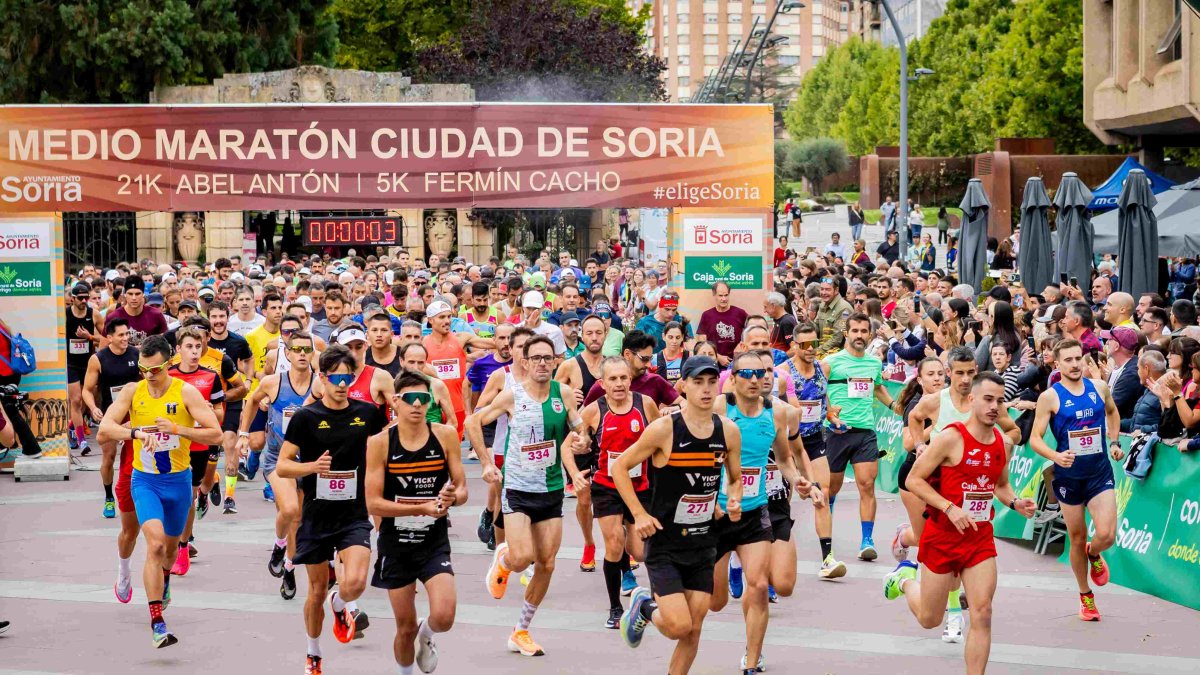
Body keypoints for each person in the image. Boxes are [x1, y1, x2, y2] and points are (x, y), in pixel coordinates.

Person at [883, 373, 1036, 675]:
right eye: (988, 399)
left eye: (1000, 401)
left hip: (978, 539)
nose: (994, 407)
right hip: (942, 537)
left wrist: (1016, 503)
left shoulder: (1003, 445)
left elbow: (1001, 486)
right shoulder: (951, 438)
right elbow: (914, 479)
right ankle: (903, 579)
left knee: (983, 612)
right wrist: (948, 507)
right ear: (971, 401)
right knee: (930, 619)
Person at [612, 355, 742, 675]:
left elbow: (735, 478)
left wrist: (733, 500)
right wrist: (639, 514)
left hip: (703, 542)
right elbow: (619, 467)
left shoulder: (728, 431)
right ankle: (645, 606)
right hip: (666, 544)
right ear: (682, 386)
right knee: (678, 627)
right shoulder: (664, 430)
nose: (707, 389)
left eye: (712, 382)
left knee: (694, 629)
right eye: (698, 382)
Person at [97, 335, 223, 648]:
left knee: (168, 551)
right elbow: (103, 431)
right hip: (145, 481)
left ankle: (165, 579)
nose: (148, 376)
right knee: (153, 546)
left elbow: (216, 433)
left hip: (178, 482)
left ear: (168, 364)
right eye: (143, 369)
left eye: (154, 370)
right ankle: (157, 622)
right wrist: (135, 433)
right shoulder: (132, 390)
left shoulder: (186, 392)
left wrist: (178, 429)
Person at [467, 335, 586, 657]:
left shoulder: (563, 394)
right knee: (522, 559)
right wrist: (486, 463)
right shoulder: (512, 396)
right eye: (536, 358)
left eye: (548, 357)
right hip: (518, 489)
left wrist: (581, 441)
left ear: (555, 361)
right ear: (526, 361)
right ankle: (504, 560)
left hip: (551, 490)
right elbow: (473, 421)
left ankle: (520, 631)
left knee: (546, 564)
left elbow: (578, 429)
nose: (543, 363)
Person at [276, 345, 387, 674]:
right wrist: (312, 467)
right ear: (322, 378)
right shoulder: (305, 417)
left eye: (348, 378)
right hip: (316, 515)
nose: (342, 384)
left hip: (353, 514)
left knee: (355, 582)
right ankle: (313, 652)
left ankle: (341, 604)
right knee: (315, 591)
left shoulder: (367, 413)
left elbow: (385, 450)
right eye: (336, 377)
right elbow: (283, 466)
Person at [710, 352, 810, 673]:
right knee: (715, 602)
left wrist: (800, 480)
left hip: (756, 511)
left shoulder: (776, 413)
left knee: (758, 588)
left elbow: (783, 461)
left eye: (761, 373)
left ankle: (752, 662)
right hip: (717, 514)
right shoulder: (719, 409)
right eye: (748, 373)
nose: (755, 379)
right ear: (734, 378)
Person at [366, 369, 468, 675]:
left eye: (422, 399)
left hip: (433, 541)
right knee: (404, 627)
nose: (416, 405)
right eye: (408, 399)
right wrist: (420, 508)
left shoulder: (445, 435)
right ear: (395, 401)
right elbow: (372, 502)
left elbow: (462, 489)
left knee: (445, 615)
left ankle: (428, 635)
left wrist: (453, 497)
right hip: (395, 544)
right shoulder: (380, 442)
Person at [1028, 339, 1124, 621]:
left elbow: (1112, 412)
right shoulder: (1050, 397)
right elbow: (1035, 439)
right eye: (1067, 360)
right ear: (1057, 364)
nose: (1074, 364)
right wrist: (1055, 457)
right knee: (1077, 537)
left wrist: (1115, 440)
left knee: (1106, 534)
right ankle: (1086, 597)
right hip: (1068, 476)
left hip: (1098, 472)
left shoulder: (1099, 387)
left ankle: (1094, 554)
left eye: (1077, 358)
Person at [236, 328, 317, 600]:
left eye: (308, 350)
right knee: (291, 509)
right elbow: (252, 401)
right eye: (298, 350)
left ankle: (291, 569)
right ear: (288, 353)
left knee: (300, 520)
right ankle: (279, 545)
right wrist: (244, 434)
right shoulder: (274, 382)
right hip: (278, 458)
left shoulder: (320, 384)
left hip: (309, 461)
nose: (303, 355)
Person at [580, 356, 660, 628]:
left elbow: (661, 440)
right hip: (607, 486)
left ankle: (649, 596)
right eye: (612, 379)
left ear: (631, 379)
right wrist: (576, 468)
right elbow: (571, 441)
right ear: (602, 383)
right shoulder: (593, 410)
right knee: (614, 544)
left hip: (640, 487)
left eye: (623, 378)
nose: (619, 384)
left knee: (639, 552)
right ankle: (615, 608)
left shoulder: (645, 405)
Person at [823, 313, 897, 562]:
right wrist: (830, 412)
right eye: (854, 331)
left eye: (864, 331)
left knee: (866, 485)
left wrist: (895, 405)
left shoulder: (874, 364)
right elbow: (818, 391)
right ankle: (827, 539)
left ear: (870, 334)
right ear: (847, 333)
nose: (859, 336)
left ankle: (867, 540)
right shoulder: (831, 362)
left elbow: (877, 389)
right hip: (835, 432)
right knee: (830, 489)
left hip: (865, 432)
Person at [166, 325, 227, 576]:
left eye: (198, 347)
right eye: (189, 347)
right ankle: (175, 538)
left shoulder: (210, 377)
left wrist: (208, 412)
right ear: (178, 349)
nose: (194, 352)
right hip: (171, 444)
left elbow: (221, 413)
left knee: (187, 497)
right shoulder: (167, 376)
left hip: (200, 444)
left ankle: (183, 544)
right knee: (175, 496)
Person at [554, 314, 608, 570]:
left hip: (608, 439)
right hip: (579, 441)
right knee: (585, 499)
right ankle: (588, 543)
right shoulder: (570, 366)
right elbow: (551, 400)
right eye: (589, 333)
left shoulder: (613, 366)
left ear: (605, 334)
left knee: (615, 494)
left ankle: (622, 544)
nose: (594, 337)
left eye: (599, 332)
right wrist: (568, 400)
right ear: (581, 335)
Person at [82, 318, 140, 520]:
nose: (126, 338)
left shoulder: (137, 353)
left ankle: (136, 495)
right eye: (121, 335)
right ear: (110, 337)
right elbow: (87, 390)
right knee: (108, 457)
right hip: (111, 412)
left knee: (137, 456)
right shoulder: (98, 359)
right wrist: (93, 407)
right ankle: (109, 497)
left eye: (127, 334)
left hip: (135, 412)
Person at [67, 282, 104, 455]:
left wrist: (88, 336)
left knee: (84, 402)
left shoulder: (94, 314)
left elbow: (106, 339)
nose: (83, 301)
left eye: (86, 298)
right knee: (75, 400)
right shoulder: (65, 315)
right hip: (70, 363)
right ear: (72, 298)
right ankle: (82, 441)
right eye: (80, 298)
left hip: (89, 363)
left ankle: (72, 427)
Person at [697, 282, 748, 367]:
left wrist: (742, 348)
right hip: (713, 365)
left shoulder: (740, 313)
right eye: (720, 295)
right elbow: (701, 344)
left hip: (738, 364)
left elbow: (752, 333)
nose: (724, 299)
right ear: (714, 295)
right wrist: (718, 357)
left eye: (726, 295)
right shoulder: (706, 315)